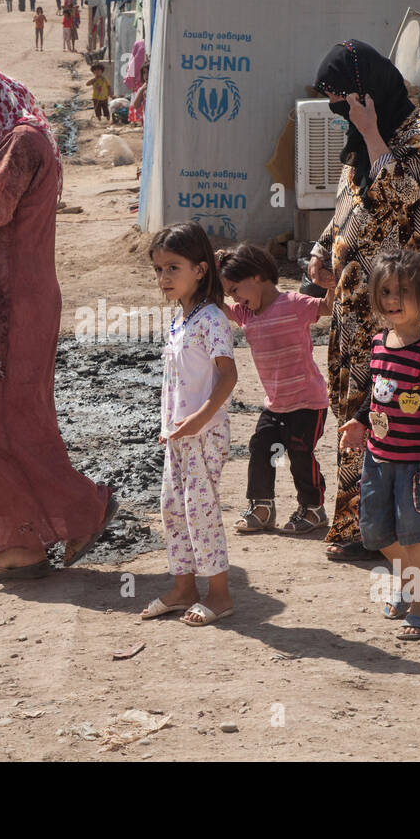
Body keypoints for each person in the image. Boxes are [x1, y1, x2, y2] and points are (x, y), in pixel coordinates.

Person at [0, 57, 117, 581]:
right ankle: (27, 540)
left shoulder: (23, 145)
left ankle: (63, 520)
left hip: (14, 309)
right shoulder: (3, 147)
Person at [306, 38, 420, 562]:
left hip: (400, 304)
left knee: (402, 407)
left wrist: (374, 134)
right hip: (355, 301)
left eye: (344, 98)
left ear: (368, 91)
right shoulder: (357, 142)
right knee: (360, 408)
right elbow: (349, 206)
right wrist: (322, 251)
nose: (338, 110)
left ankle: (418, 515)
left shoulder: (419, 132)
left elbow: (405, 194)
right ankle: (364, 523)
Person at [339, 249, 420, 639]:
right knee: (374, 534)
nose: (392, 301)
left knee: (415, 537)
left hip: (415, 466)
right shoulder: (378, 344)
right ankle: (408, 582)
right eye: (385, 292)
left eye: (402, 291)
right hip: (377, 460)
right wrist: (359, 421)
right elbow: (378, 395)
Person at [140, 223, 238, 626]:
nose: (164, 278)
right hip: (177, 434)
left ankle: (220, 594)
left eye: (172, 268)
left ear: (200, 269)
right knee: (173, 510)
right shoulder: (182, 318)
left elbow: (228, 377)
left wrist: (197, 421)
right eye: (159, 270)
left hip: (203, 433)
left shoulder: (212, 318)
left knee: (200, 511)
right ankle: (184, 587)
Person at [217, 243, 332, 534]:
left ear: (256, 275)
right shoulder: (246, 314)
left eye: (235, 290)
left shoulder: (294, 303)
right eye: (230, 293)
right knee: (260, 448)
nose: (235, 298)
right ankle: (262, 506)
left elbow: (328, 307)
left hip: (308, 402)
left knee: (299, 452)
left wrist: (331, 282)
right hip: (275, 404)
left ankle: (313, 508)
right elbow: (215, 305)